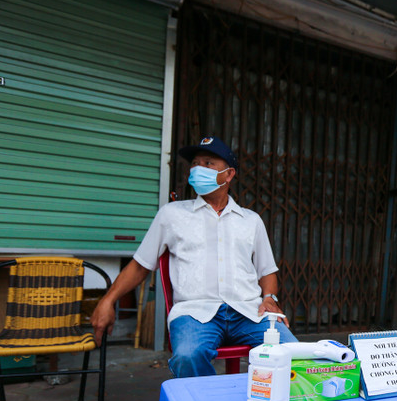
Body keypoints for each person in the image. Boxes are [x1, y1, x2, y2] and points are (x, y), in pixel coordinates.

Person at [90, 135, 297, 377]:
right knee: (187, 357)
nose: (199, 168)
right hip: (195, 313)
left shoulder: (250, 220)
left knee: (293, 352)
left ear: (229, 175)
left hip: (249, 312)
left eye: (208, 163)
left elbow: (267, 270)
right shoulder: (172, 214)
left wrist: (269, 297)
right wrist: (107, 300)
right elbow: (140, 265)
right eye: (195, 163)